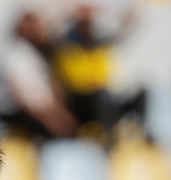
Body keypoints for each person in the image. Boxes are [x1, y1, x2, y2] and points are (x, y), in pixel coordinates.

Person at [52, 4, 144, 139]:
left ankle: (137, 134)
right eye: (84, 25)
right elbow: (45, 31)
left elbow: (134, 21)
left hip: (105, 98)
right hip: (79, 103)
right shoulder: (66, 47)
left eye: (90, 25)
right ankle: (110, 136)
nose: (88, 29)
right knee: (97, 96)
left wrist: (104, 12)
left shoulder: (103, 46)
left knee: (141, 94)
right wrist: (69, 15)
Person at [2, 11, 77, 139]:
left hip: (49, 111)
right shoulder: (17, 56)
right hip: (30, 116)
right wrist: (53, 120)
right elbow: (24, 97)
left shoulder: (36, 53)